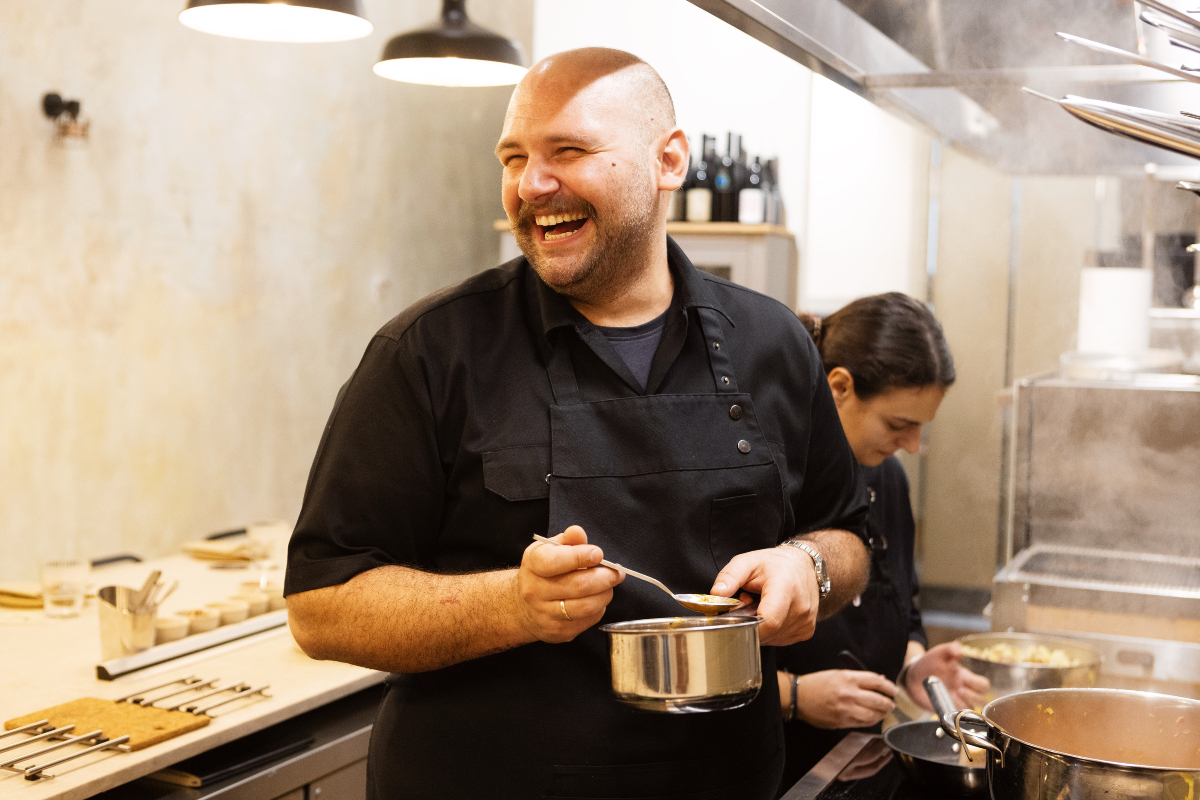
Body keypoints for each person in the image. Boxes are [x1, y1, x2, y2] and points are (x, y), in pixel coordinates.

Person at [284, 48, 872, 800]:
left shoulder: (774, 342)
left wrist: (808, 566)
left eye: (569, 151)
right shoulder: (429, 352)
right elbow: (321, 607)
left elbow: (848, 537)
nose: (530, 185)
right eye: (515, 157)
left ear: (668, 160)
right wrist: (512, 606)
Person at [774, 293, 990, 787]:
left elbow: (902, 605)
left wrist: (912, 663)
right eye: (899, 424)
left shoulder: (886, 478)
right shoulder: (772, 483)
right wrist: (795, 696)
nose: (913, 446)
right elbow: (704, 659)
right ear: (839, 387)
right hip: (777, 769)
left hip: (860, 762)